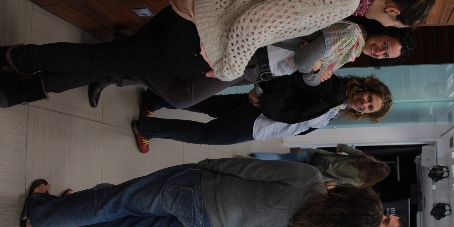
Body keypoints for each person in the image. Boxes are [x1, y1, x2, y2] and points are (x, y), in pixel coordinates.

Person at [0, 0, 443, 104]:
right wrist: (229, 70)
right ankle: (16, 59)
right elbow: (255, 25)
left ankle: (26, 86)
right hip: (202, 36)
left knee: (111, 61)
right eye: (395, 26)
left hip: (203, 11)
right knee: (103, 59)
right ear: (394, 12)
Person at [13, 19, 414, 110]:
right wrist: (315, 73)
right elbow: (307, 62)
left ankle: (116, 66)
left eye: (385, 55)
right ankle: (122, 55)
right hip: (252, 58)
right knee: (181, 96)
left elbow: (309, 70)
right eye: (385, 44)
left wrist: (314, 73)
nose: (380, 51)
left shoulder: (351, 51)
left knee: (170, 81)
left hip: (257, 68)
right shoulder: (352, 36)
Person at [20, 158, 403, 227]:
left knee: (117, 201)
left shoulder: (309, 179)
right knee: (130, 225)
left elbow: (245, 168)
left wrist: (204, 166)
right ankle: (58, 224)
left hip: (201, 193)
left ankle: (40, 215)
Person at [130, 74, 392, 153]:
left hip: (262, 112)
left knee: (208, 105)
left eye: (369, 108)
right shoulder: (336, 89)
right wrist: (261, 88)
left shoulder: (338, 107)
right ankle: (147, 128)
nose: (364, 104)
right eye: (369, 98)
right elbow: (296, 78)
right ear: (366, 88)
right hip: (259, 118)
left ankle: (154, 99)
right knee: (206, 135)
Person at [252, 144, 390, 188]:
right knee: (285, 171)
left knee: (282, 158)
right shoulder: (359, 181)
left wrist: (338, 154)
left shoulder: (362, 157)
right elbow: (336, 182)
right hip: (314, 172)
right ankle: (258, 169)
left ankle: (255, 156)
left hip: (316, 156)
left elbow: (342, 147)